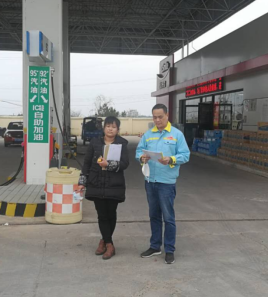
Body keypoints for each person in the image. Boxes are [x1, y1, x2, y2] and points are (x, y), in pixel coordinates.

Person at [136, 104, 190, 265]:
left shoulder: (176, 135)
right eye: (154, 117)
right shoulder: (148, 135)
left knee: (168, 217)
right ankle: (155, 246)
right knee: (154, 215)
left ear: (167, 116)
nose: (157, 120)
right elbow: (139, 151)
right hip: (150, 181)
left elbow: (185, 155)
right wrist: (142, 157)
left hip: (166, 182)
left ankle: (170, 249)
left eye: (160, 117)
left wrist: (171, 159)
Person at [78, 116, 129, 260]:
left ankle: (104, 241)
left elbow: (125, 163)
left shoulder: (122, 143)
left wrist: (109, 164)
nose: (110, 129)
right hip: (97, 182)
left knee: (111, 213)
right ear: (104, 128)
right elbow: (87, 163)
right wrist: (82, 182)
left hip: (114, 184)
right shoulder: (95, 142)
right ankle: (109, 244)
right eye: (108, 126)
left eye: (113, 127)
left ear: (117, 129)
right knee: (101, 215)